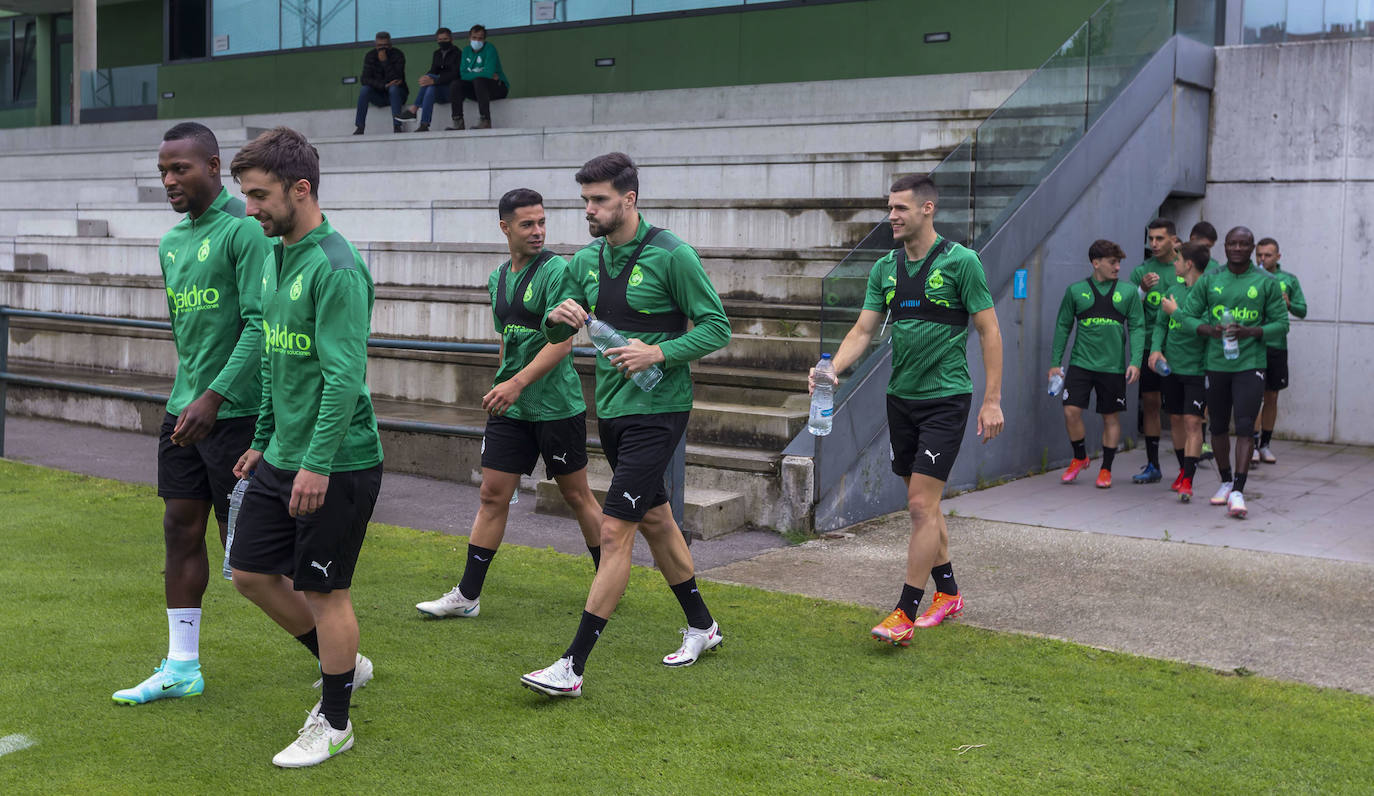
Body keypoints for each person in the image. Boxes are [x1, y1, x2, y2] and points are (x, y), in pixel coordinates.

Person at [519, 152, 732, 697]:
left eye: (599, 200)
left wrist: (658, 353)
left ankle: (572, 667)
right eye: (585, 200)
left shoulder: (672, 255)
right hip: (611, 410)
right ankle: (703, 626)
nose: (589, 210)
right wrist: (556, 317)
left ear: (629, 200)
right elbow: (555, 325)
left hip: (659, 411)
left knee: (616, 531)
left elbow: (717, 328)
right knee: (657, 521)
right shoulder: (586, 259)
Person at [227, 127, 385, 766]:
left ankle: (336, 721)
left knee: (326, 591)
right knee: (250, 574)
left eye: (260, 195)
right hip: (283, 454)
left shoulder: (337, 266)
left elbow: (344, 376)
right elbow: (273, 359)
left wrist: (316, 462)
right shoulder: (272, 255)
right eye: (245, 195)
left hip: (337, 460)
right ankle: (343, 664)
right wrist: (264, 441)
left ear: (301, 189)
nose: (251, 209)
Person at [111, 123, 272, 706]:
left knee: (251, 557)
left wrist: (216, 396)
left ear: (212, 164)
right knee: (179, 527)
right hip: (184, 410)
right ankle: (182, 666)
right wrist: (192, 395)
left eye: (180, 168)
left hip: (235, 414)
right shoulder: (171, 241)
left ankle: (339, 654)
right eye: (162, 172)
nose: (170, 181)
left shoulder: (245, 231)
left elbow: (259, 325)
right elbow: (187, 334)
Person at [815, 174, 1003, 647]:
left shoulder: (963, 263)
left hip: (946, 398)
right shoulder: (886, 268)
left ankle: (904, 611)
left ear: (927, 209)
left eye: (900, 208)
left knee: (921, 505)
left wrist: (993, 400)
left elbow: (989, 332)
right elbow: (862, 329)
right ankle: (951, 593)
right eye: (890, 208)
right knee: (925, 504)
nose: (892, 216)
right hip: (901, 400)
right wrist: (832, 368)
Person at [415, 188, 602, 618]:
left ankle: (607, 578)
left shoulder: (559, 270)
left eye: (542, 223)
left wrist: (515, 383)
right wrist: (504, 383)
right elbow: (507, 338)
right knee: (492, 495)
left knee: (577, 496)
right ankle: (467, 596)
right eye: (527, 224)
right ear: (505, 228)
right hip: (510, 408)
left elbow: (563, 345)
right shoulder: (497, 278)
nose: (537, 232)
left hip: (556, 406)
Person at [1175, 226, 1287, 519]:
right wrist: (1208, 330)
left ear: (1251, 248)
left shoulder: (1267, 282)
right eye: (1232, 243)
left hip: (1250, 363)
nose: (1237, 248)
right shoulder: (1211, 279)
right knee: (1218, 426)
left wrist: (1251, 331)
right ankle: (1225, 481)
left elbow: (1281, 324)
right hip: (1216, 363)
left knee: (1246, 425)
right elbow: (1185, 316)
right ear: (1224, 247)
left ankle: (1239, 488)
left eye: (1243, 244)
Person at [1049, 239, 1143, 489]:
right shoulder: (1076, 291)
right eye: (1113, 263)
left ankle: (1106, 469)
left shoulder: (1129, 292)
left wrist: (1135, 361)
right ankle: (1080, 457)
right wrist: (1055, 363)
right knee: (1071, 410)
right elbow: (1062, 326)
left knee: (1110, 417)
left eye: (1119, 263)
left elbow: (1137, 327)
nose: (1118, 268)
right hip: (1081, 363)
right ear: (1096, 263)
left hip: (1112, 367)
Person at [1149, 242, 1210, 502]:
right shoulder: (1172, 289)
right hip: (1171, 368)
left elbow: (1204, 326)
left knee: (1192, 421)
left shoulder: (1209, 292)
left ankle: (1188, 479)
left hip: (1197, 368)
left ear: (1189, 264)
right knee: (1174, 420)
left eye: (1178, 259)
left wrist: (1178, 312)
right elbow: (1161, 324)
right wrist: (1155, 350)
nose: (1173, 263)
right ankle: (1183, 469)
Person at [1127, 218, 1182, 484]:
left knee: (1178, 410)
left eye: (1160, 238)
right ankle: (1153, 465)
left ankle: (1186, 469)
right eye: (1151, 239)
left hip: (1180, 349)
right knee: (1150, 404)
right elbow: (1128, 310)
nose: (1154, 244)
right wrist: (1141, 290)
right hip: (1150, 349)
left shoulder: (1185, 266)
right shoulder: (1142, 271)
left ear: (1174, 239)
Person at [1252, 237, 1307, 464]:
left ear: (1278, 257)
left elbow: (1303, 310)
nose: (1263, 259)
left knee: (1271, 396)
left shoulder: (1289, 280)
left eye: (1268, 255)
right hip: (1253, 345)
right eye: (1260, 255)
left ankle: (1265, 444)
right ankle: (1252, 444)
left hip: (1276, 346)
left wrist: (1289, 304)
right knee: (1253, 396)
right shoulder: (1251, 277)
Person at [394, 28, 460, 133]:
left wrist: (434, 80)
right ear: (437, 40)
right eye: (440, 39)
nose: (443, 41)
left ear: (451, 39)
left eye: (445, 39)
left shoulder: (458, 53)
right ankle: (424, 124)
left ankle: (414, 109)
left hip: (451, 91)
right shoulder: (437, 53)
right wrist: (426, 78)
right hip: (439, 90)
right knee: (430, 89)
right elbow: (434, 70)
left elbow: (455, 74)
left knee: (431, 81)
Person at [451, 25, 509, 131]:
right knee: (456, 84)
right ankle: (458, 122)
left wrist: (476, 75)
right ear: (469, 38)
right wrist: (483, 73)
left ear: (484, 39)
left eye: (480, 38)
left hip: (498, 88)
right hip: (478, 90)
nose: (477, 41)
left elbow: (488, 73)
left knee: (479, 81)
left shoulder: (490, 49)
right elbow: (463, 75)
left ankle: (485, 120)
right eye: (474, 38)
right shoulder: (466, 51)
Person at [353, 32, 407, 135]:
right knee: (365, 89)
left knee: (394, 88)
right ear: (375, 45)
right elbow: (364, 79)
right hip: (379, 95)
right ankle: (360, 127)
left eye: (385, 46)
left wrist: (385, 61)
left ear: (390, 45)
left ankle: (397, 126)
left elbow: (397, 78)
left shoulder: (398, 54)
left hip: (398, 95)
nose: (382, 49)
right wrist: (384, 85)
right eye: (379, 46)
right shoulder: (370, 55)